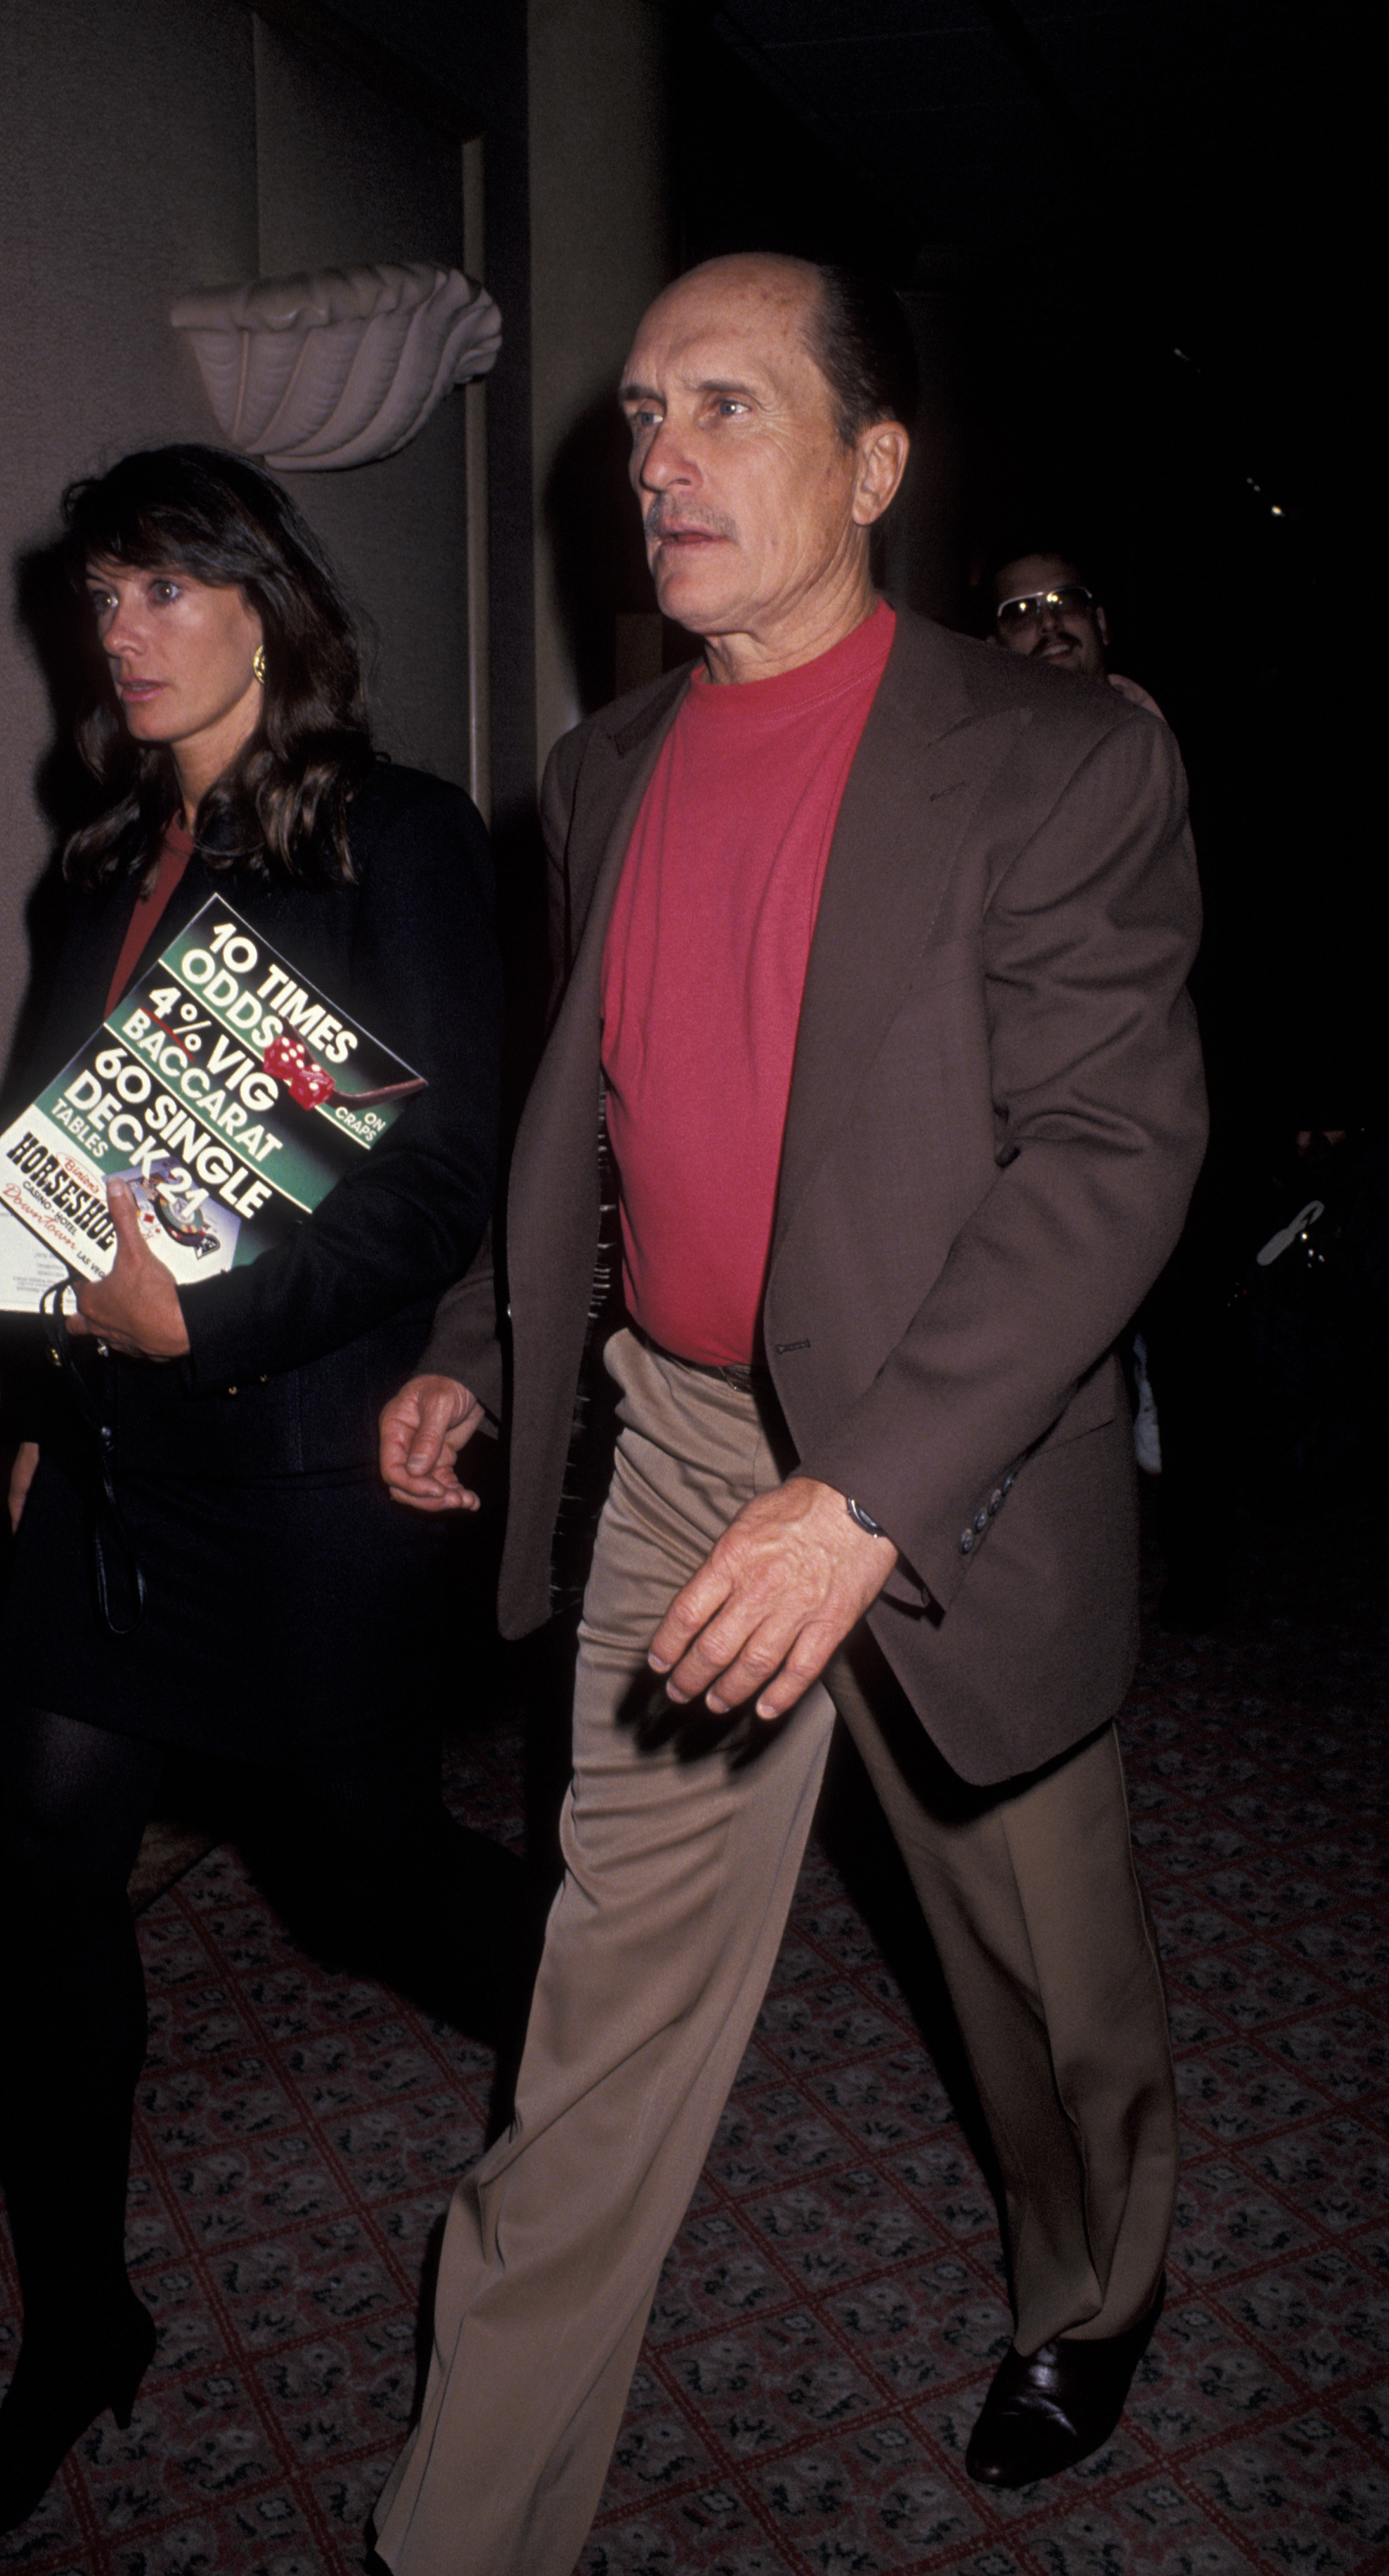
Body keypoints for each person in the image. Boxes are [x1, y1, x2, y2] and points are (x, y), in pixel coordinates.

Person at [370, 255, 1206, 2573]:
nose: (658, 461)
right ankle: (467, 2531)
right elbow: (586, 1124)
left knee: (1037, 1980)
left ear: (871, 464)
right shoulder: (607, 765)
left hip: (956, 1469)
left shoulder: (1058, 752)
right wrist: (483, 1339)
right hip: (683, 1446)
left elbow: (1117, 1154)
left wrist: (870, 1488)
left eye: (726, 409)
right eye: (642, 415)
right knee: (602, 2005)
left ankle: (1093, 2282)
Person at [0, 446, 517, 2555]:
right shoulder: (98, 861)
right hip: (98, 1479)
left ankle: (590, 2014)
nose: (125, 627)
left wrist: (213, 1321)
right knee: (32, 1853)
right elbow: (48, 1152)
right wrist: (33, 1386)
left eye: (167, 585)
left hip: (290, 1464)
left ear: (266, 601)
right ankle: (80, 2326)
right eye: (103, 594)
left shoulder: (399, 837)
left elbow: (442, 1179)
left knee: (362, 1877)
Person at [987, 544, 1165, 715]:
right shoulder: (979, 743)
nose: (1049, 622)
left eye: (1065, 601)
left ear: (1101, 624)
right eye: (1021, 613)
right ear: (995, 652)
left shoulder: (1157, 736)